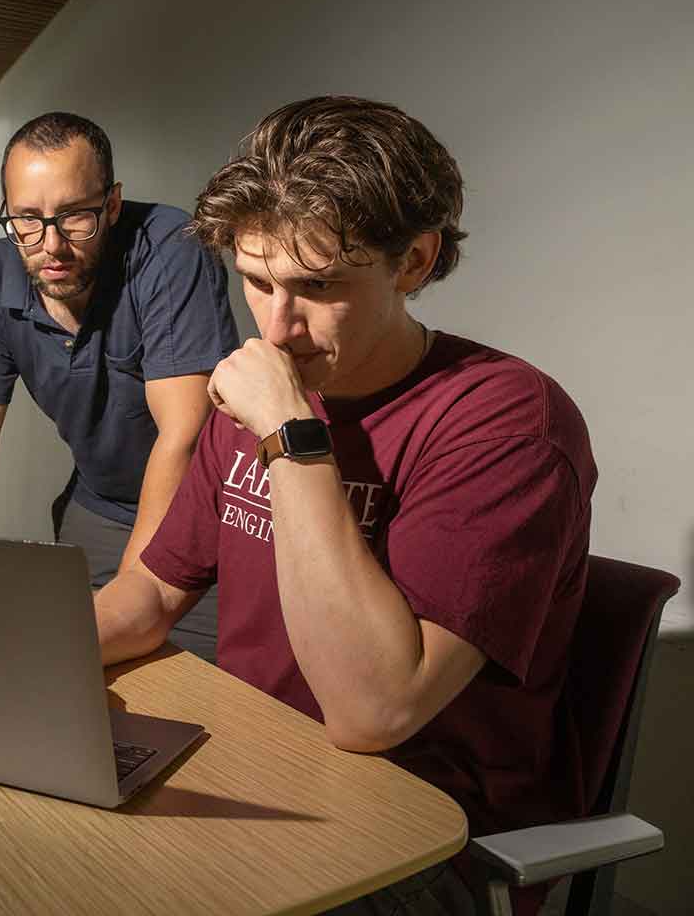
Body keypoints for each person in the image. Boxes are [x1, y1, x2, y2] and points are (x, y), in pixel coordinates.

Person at [94, 96, 594, 916]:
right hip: (257, 762)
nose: (278, 326)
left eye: (317, 286)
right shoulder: (263, 389)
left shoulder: (506, 420)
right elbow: (150, 595)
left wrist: (292, 432)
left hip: (428, 838)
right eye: (255, 281)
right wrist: (10, 661)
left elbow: (373, 711)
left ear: (415, 261)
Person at [0, 113, 238, 657]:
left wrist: (132, 597)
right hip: (96, 507)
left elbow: (184, 435)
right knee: (70, 673)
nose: (50, 245)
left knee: (186, 684)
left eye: (75, 218)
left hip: (199, 513)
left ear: (113, 204)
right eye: (27, 219)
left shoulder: (171, 249)